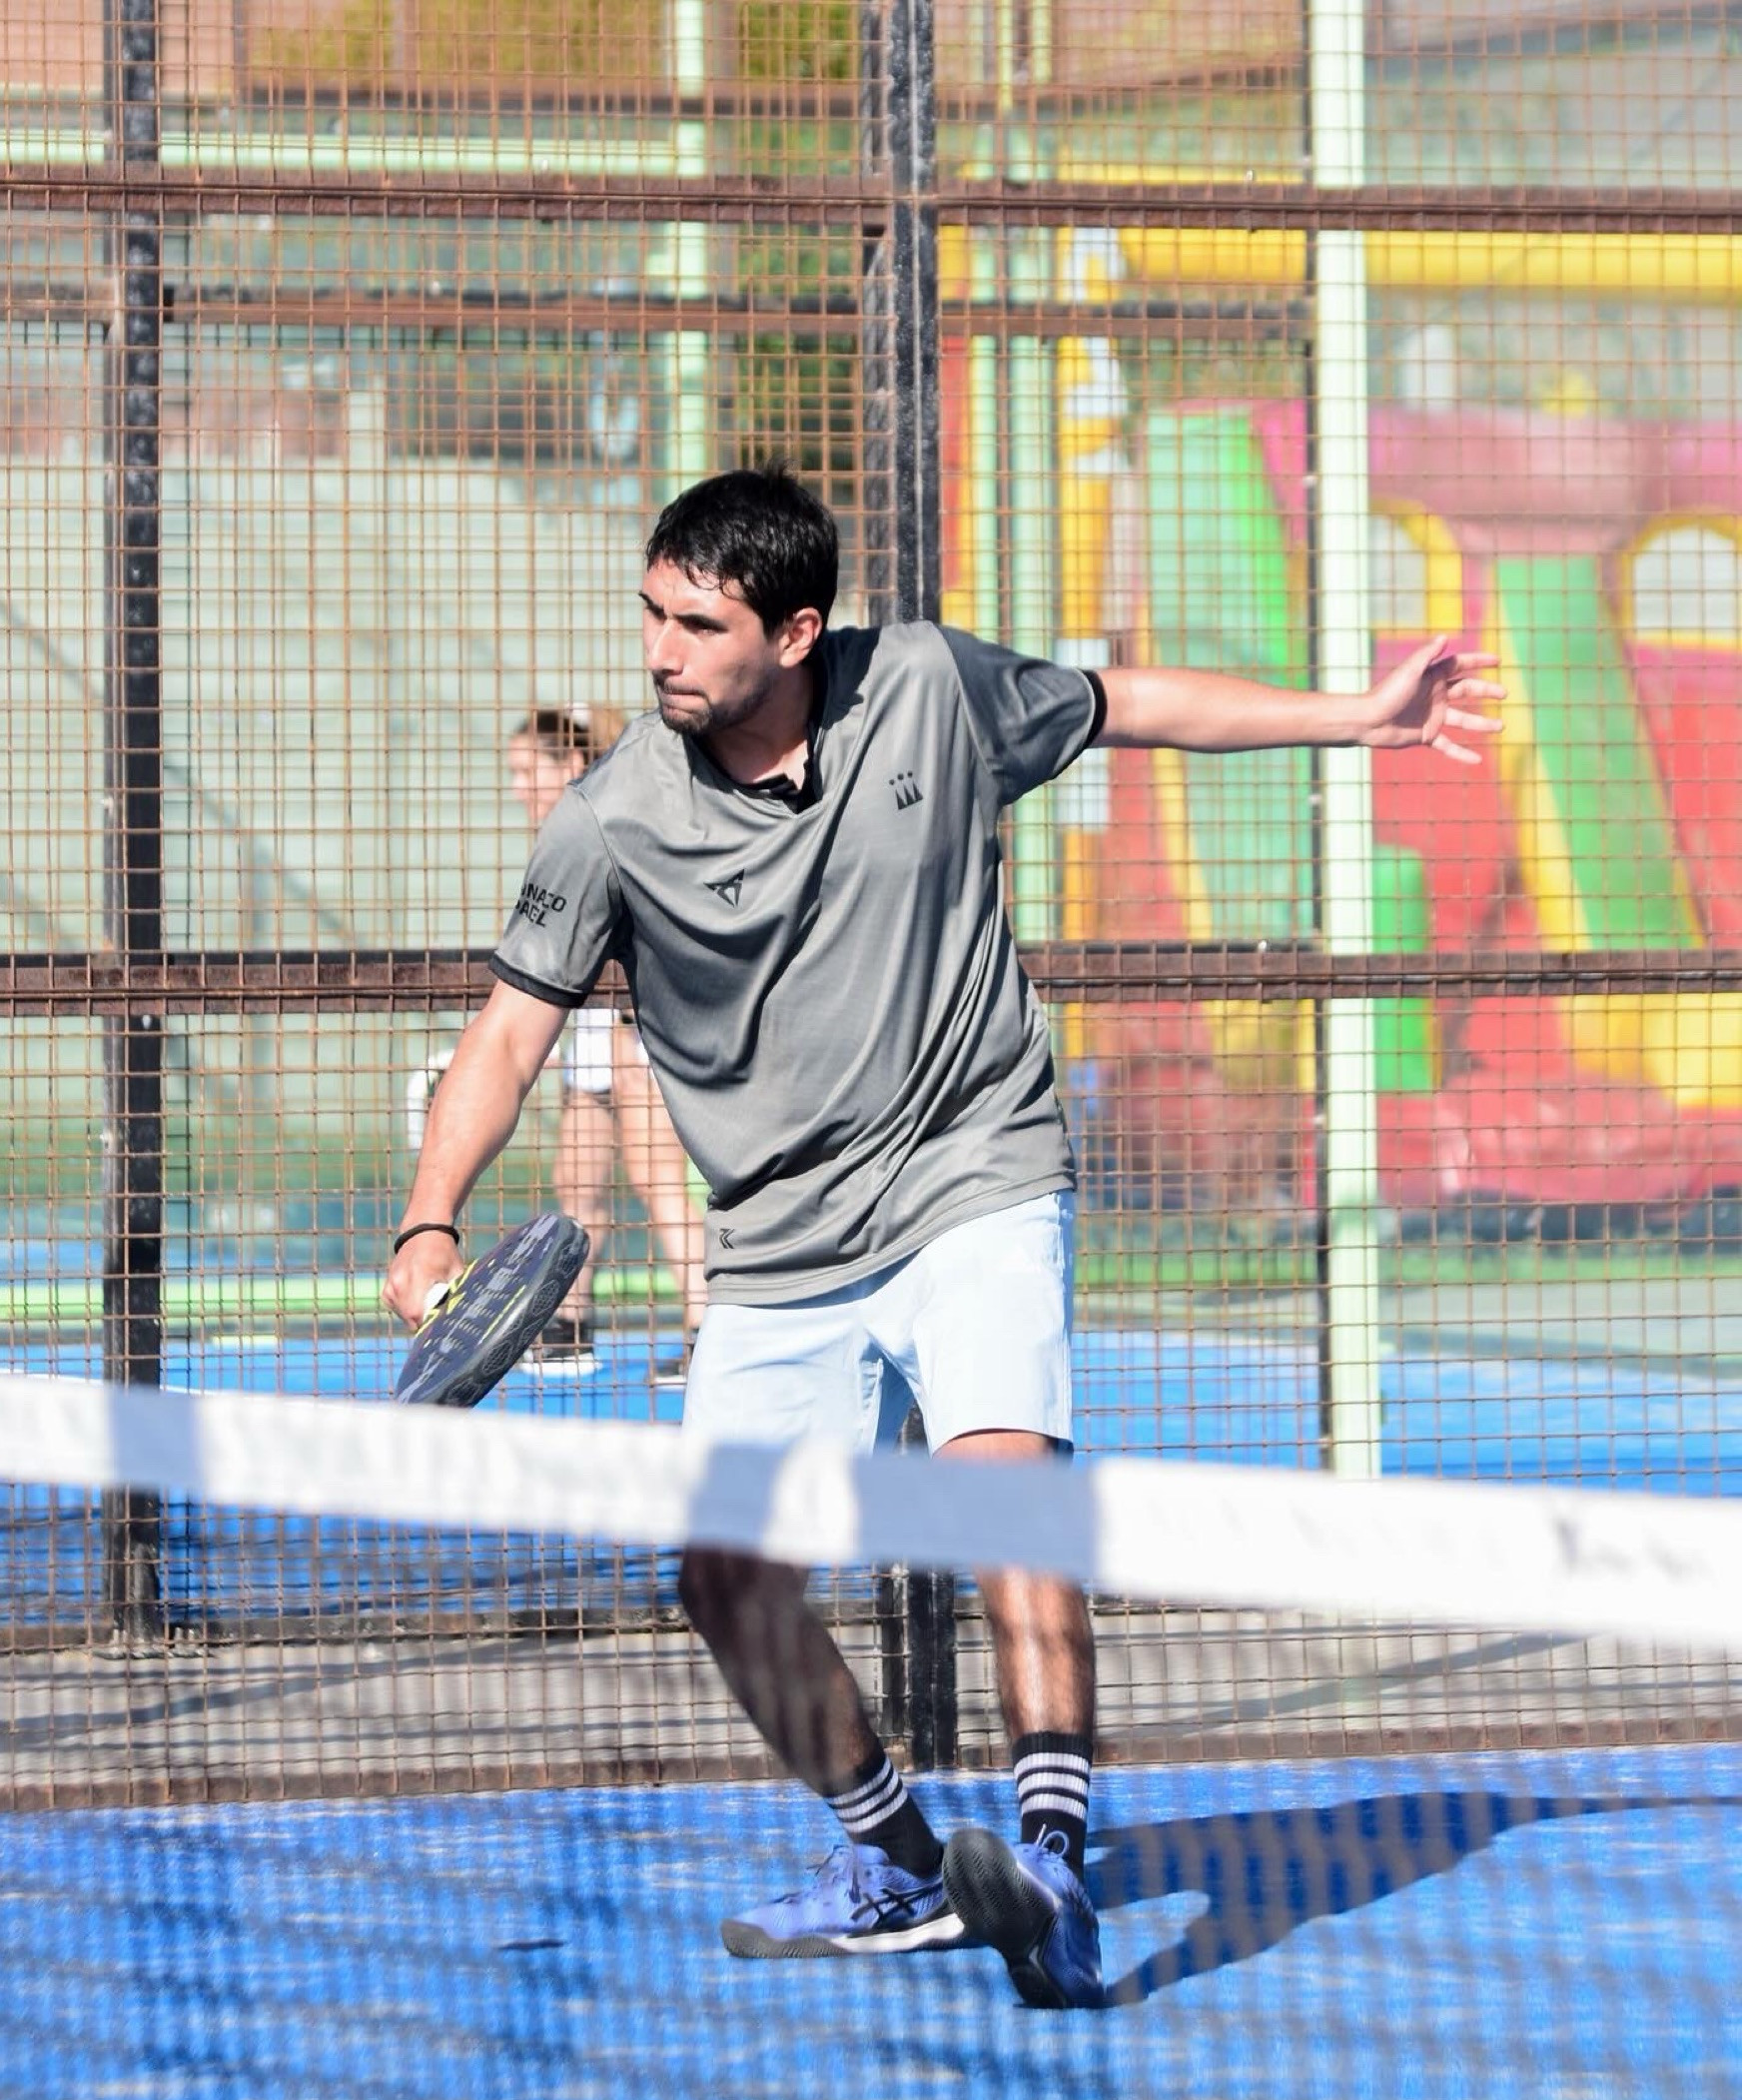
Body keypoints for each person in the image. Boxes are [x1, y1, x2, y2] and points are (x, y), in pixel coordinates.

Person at [384, 466, 1501, 2008]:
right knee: (724, 1576)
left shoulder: (925, 688)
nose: (658, 652)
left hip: (973, 1165)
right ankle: (900, 1858)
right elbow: (511, 1032)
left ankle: (1052, 1866)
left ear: (797, 631)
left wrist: (1358, 718)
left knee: (1005, 1496)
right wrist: (426, 1216)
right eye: (651, 615)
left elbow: (1129, 704)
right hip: (779, 1236)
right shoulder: (611, 819)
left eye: (698, 626)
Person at [500, 705, 708, 1376]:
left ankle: (708, 1326)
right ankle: (569, 1321)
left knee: (656, 1175)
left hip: (633, 1022)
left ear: (571, 765)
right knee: (578, 1176)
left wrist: (623, 1031)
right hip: (592, 1021)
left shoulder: (613, 817)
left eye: (529, 771)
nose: (518, 788)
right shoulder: (561, 833)